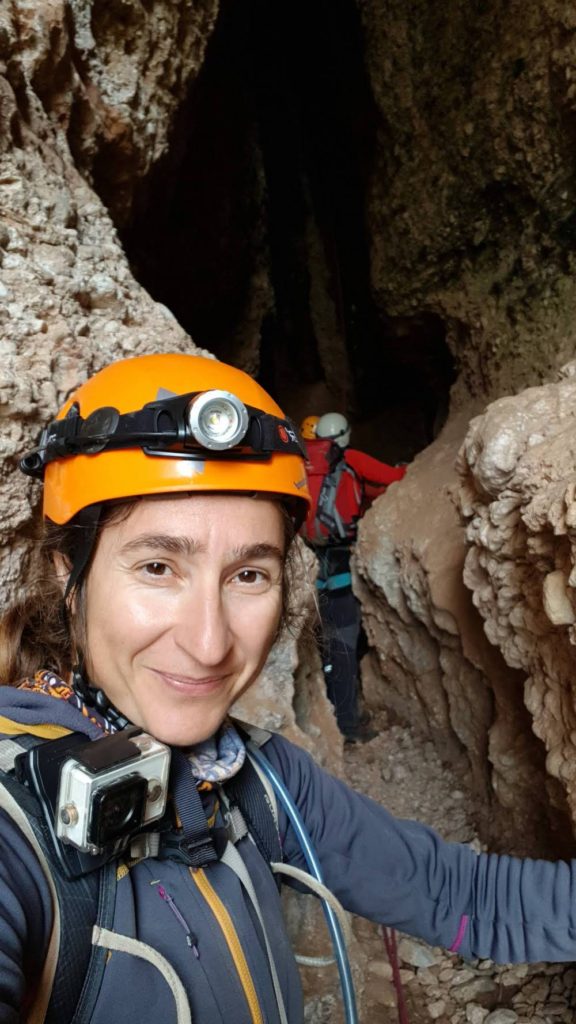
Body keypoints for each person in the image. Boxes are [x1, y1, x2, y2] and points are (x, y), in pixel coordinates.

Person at [2, 354, 576, 1024]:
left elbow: (455, 894)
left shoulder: (259, 781)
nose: (210, 642)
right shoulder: (18, 823)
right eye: (158, 566)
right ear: (68, 579)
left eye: (250, 575)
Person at [301, 411, 406, 742]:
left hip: (310, 566)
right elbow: (393, 477)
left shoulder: (302, 464)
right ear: (344, 436)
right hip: (341, 567)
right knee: (343, 643)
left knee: (321, 644)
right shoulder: (352, 459)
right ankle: (346, 727)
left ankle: (324, 706)